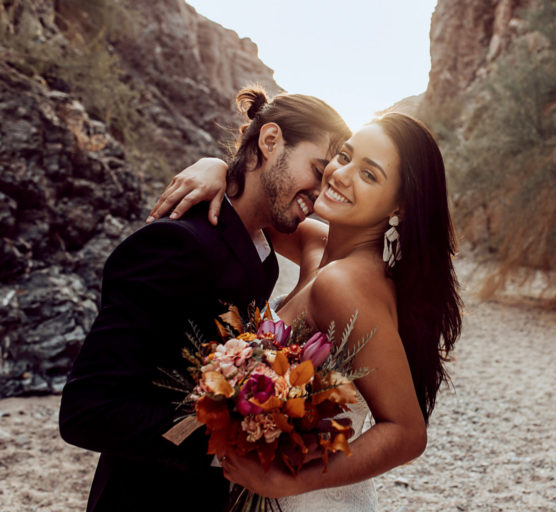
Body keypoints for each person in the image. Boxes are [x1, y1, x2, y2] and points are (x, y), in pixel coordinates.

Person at [150, 110, 463, 510]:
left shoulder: (344, 285)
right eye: (345, 157)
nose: (341, 175)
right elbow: (258, 203)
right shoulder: (319, 247)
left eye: (369, 175)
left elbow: (406, 432)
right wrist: (217, 170)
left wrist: (286, 481)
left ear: (399, 206)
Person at [58, 86, 350, 512]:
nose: (318, 194)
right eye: (317, 169)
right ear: (270, 142)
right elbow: (87, 410)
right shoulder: (176, 245)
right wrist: (234, 435)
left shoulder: (263, 250)